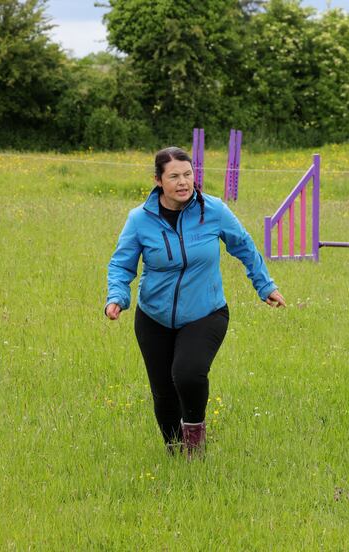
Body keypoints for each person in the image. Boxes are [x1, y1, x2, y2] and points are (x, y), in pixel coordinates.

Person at [105, 146, 286, 459]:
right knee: (163, 391)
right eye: (174, 176)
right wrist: (118, 296)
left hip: (205, 311)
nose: (183, 182)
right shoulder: (139, 220)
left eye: (188, 174)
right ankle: (174, 451)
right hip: (153, 317)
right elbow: (121, 264)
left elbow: (243, 245)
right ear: (158, 181)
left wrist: (264, 285)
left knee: (187, 373)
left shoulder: (213, 210)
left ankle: (195, 445)